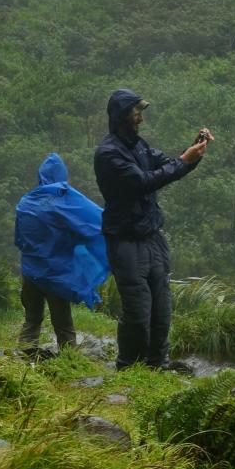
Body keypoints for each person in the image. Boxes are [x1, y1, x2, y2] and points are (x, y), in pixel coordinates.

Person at [93, 89, 212, 370]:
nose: (141, 120)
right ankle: (129, 367)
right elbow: (144, 182)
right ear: (122, 117)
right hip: (125, 240)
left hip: (152, 237)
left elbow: (171, 165)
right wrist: (186, 161)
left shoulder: (140, 146)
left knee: (161, 309)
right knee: (138, 310)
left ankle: (157, 365)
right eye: (136, 114)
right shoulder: (109, 154)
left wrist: (194, 151)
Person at [15, 153, 110, 351]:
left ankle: (24, 358)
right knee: (63, 324)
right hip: (54, 274)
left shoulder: (26, 202)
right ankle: (69, 361)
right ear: (61, 175)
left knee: (32, 319)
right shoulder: (62, 201)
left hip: (30, 271)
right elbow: (86, 222)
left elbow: (19, 239)